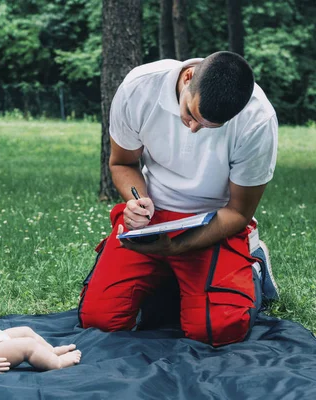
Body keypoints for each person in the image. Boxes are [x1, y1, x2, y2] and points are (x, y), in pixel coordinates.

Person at [78, 51, 278, 346]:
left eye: (212, 126)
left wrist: (177, 246)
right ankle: (170, 280)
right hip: (154, 218)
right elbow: (122, 164)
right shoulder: (140, 87)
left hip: (214, 223)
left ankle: (255, 263)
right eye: (192, 115)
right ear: (187, 79)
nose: (195, 129)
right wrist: (138, 201)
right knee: (99, 320)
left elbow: (238, 211)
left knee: (219, 330)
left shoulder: (257, 119)